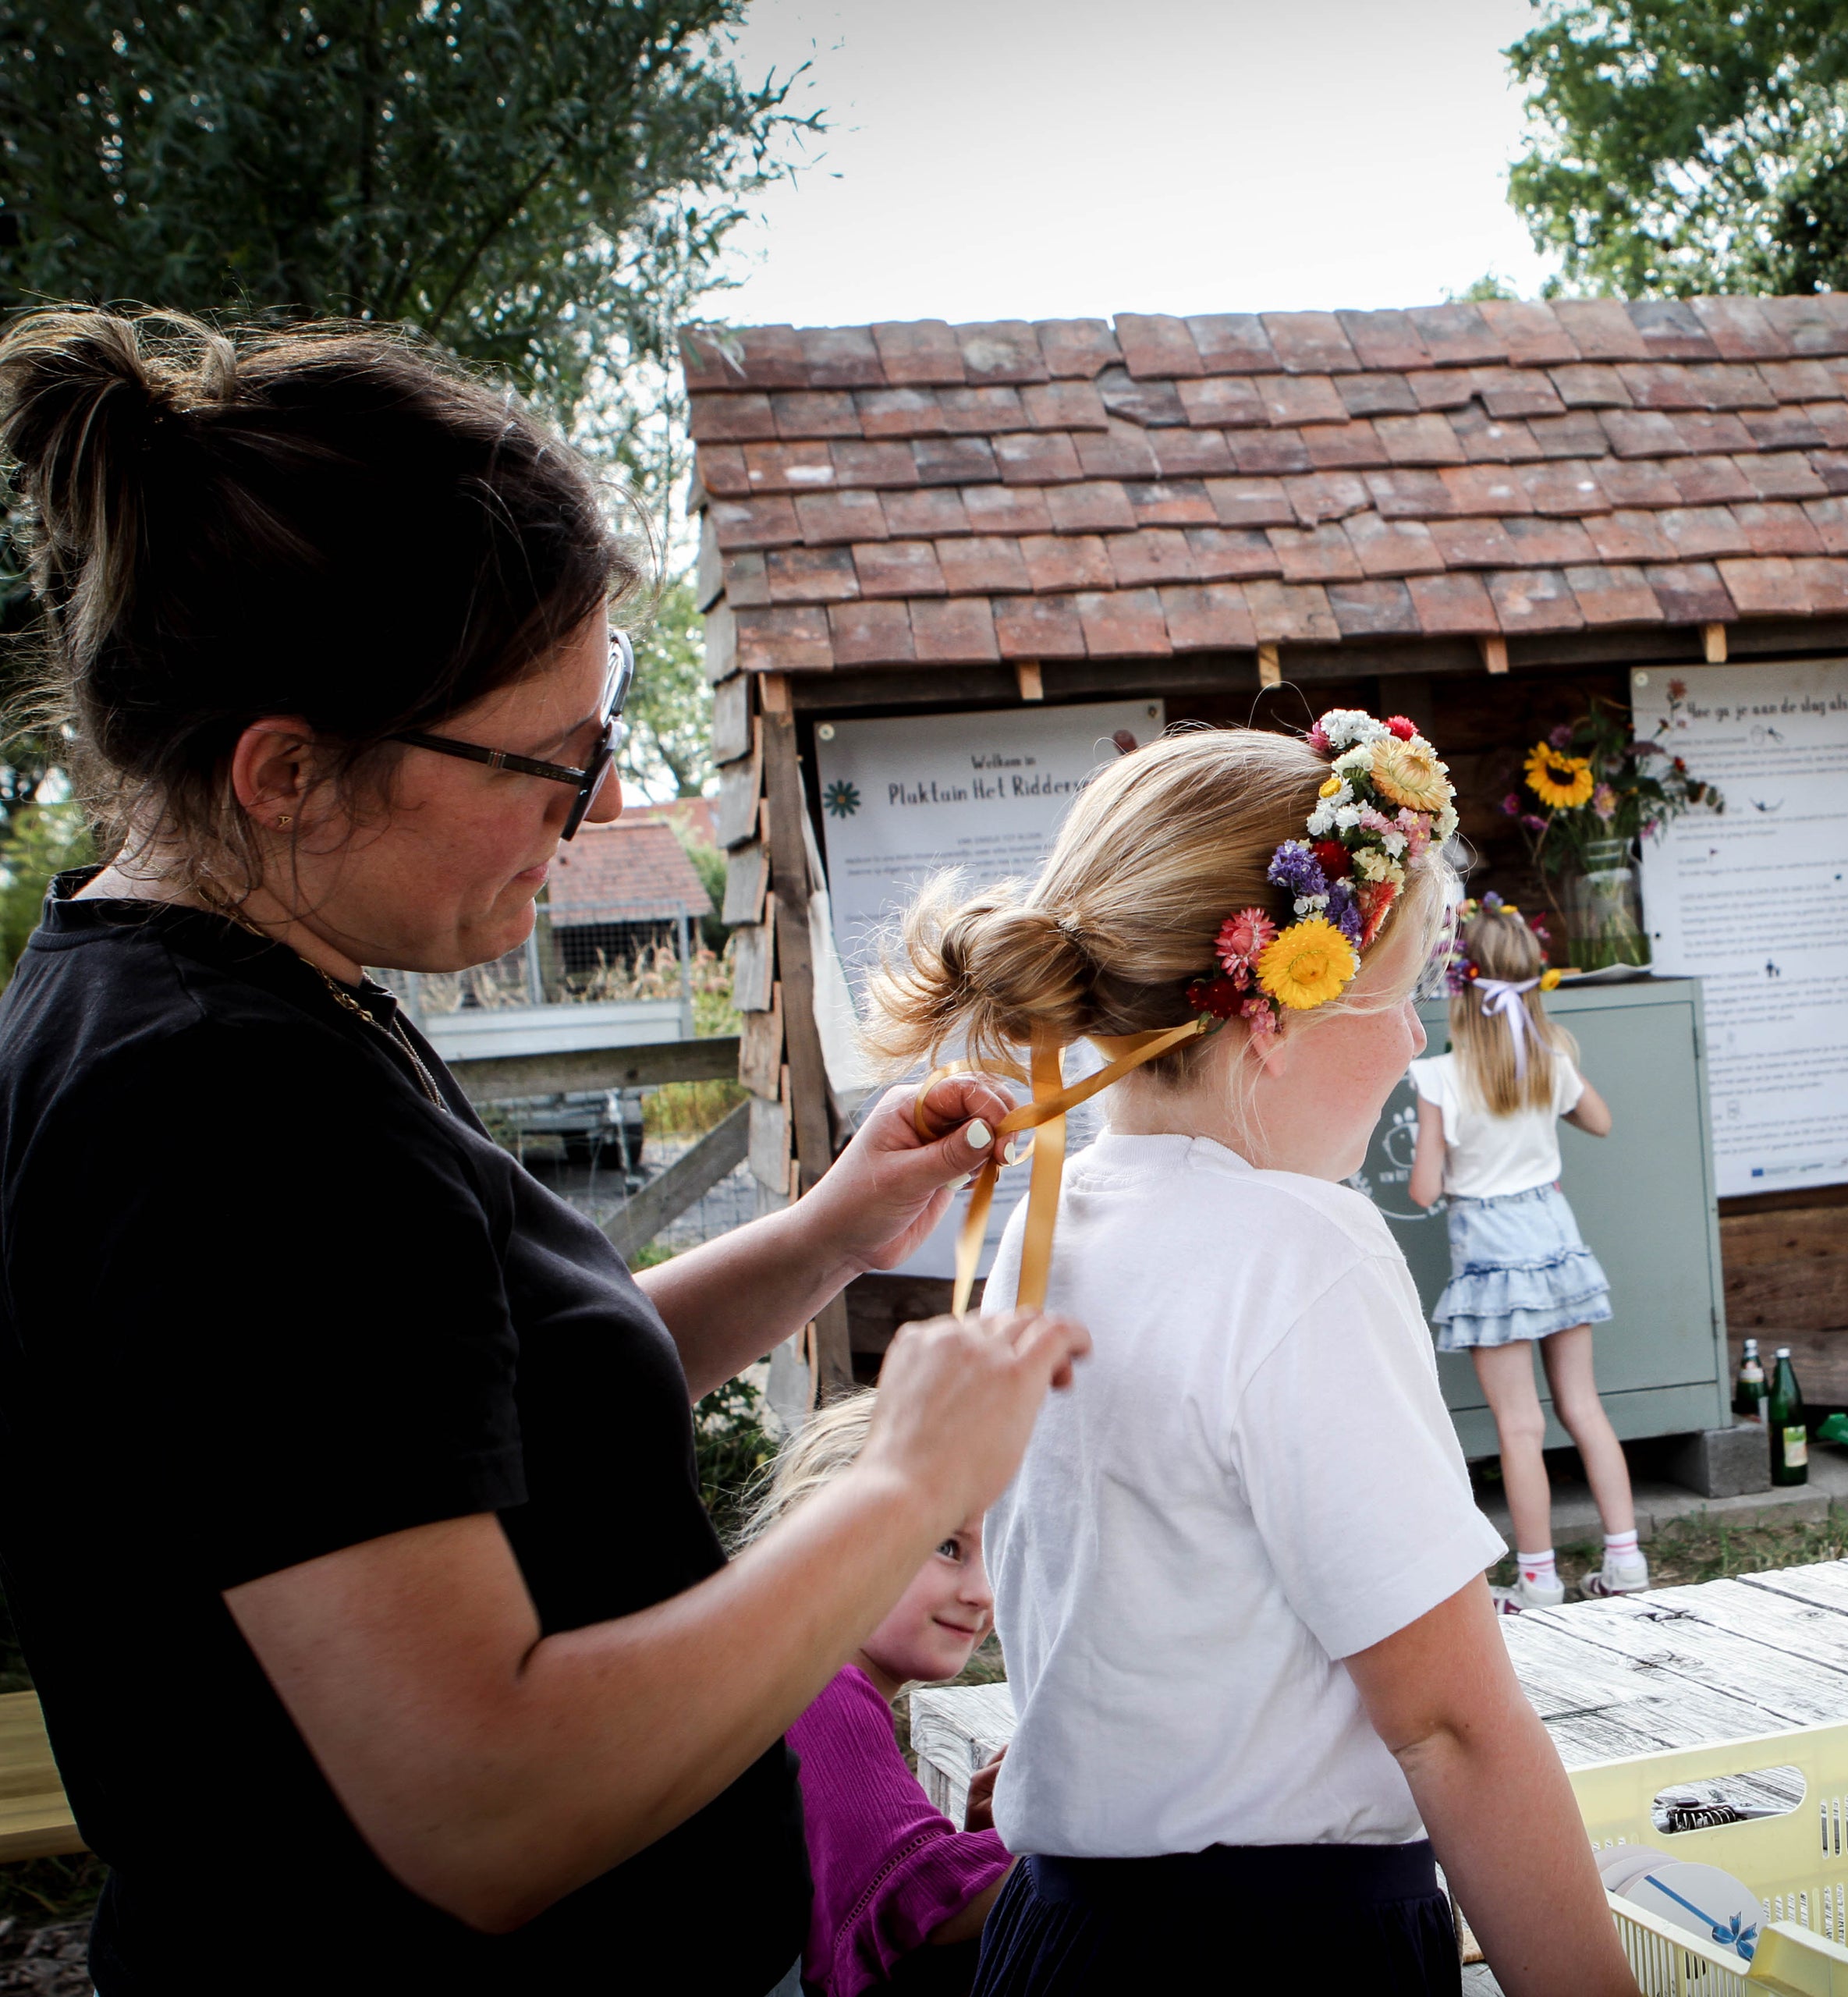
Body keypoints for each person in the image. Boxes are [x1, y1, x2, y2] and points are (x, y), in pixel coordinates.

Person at [0, 308, 1084, 1995]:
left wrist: (822, 1232)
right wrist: (904, 1488)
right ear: (286, 769)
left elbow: (443, 1420)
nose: (585, 815)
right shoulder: (226, 1112)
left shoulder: (244, 984)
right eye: (546, 765)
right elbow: (489, 1803)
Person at [860, 713, 1632, 1997]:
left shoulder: (1053, 1215)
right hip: (1278, 1951)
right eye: (1398, 1002)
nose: (1410, 1050)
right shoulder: (1300, 1252)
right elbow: (1453, 1727)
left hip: (1067, 1935)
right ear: (1279, 1012)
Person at [1405, 896, 1639, 1612]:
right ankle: (1625, 1561)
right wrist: (1551, 1080)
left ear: (1461, 988)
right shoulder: (1548, 1061)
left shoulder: (1442, 1078)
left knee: (1520, 1425)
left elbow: (1422, 1191)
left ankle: (1538, 1580)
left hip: (1492, 1260)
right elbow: (1600, 1121)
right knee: (1584, 1409)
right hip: (1557, 1245)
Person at [740, 1394, 1015, 1997]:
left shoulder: (786, 1676)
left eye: (994, 1553)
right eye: (948, 1546)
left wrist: (981, 1845)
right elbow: (917, 1898)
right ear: (828, 1540)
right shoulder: (818, 1689)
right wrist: (1068, 1820)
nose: (982, 1592)